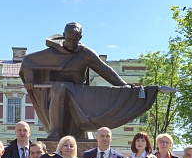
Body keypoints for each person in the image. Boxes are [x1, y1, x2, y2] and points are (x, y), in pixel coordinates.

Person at [19, 22, 156, 139]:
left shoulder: (85, 53)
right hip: (57, 94)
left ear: (80, 38)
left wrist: (123, 86)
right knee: (59, 88)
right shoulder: (53, 52)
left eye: (75, 40)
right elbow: (28, 61)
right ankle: (56, 131)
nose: (72, 43)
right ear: (64, 35)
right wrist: (30, 79)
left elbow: (105, 70)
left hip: (79, 94)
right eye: (69, 39)